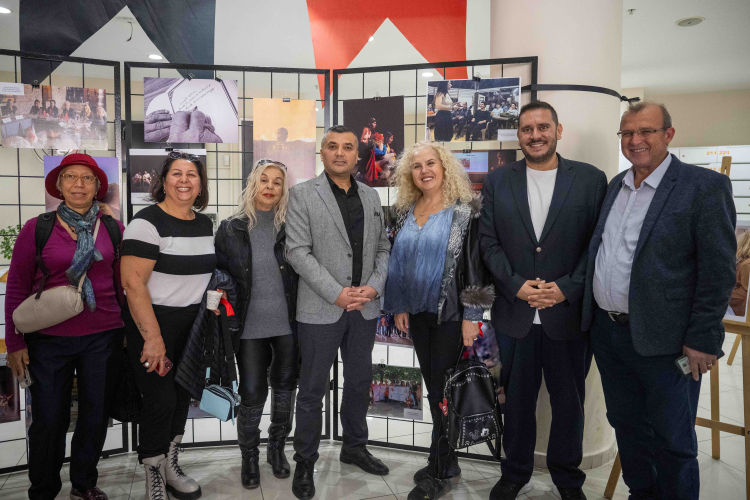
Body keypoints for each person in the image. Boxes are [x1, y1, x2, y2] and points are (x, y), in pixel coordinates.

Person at [582, 102, 736, 500]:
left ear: (668, 134)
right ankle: (641, 494)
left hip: (669, 343)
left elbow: (719, 271)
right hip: (609, 335)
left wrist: (702, 338)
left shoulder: (703, 187)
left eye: (646, 131)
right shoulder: (616, 186)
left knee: (672, 439)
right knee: (627, 426)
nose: (635, 140)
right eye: (627, 133)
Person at [478, 101, 607, 500]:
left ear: (558, 130)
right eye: (527, 129)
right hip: (514, 315)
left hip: (567, 314)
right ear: (518, 135)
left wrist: (568, 286)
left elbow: (597, 244)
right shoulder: (498, 181)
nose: (535, 135)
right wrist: (516, 284)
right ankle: (514, 473)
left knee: (569, 405)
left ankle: (567, 479)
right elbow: (488, 243)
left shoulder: (591, 179)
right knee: (516, 403)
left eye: (543, 127)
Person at [5, 154, 124, 500]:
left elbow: (122, 284)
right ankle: (43, 489)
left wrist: (130, 332)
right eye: (70, 177)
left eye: (87, 178)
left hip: (103, 335)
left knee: (95, 414)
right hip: (48, 340)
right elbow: (17, 287)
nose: (78, 184)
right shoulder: (37, 228)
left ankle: (84, 484)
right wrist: (15, 343)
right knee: (48, 418)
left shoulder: (113, 228)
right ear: (59, 185)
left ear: (97, 187)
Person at [286, 125, 391, 499]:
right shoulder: (302, 195)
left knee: (359, 382)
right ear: (322, 153)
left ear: (357, 155)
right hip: (321, 307)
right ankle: (305, 461)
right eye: (332, 146)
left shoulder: (371, 196)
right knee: (312, 389)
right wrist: (336, 293)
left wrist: (374, 286)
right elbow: (297, 251)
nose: (340, 153)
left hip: (365, 307)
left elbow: (383, 248)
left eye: (348, 147)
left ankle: (355, 447)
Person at [384, 141, 494, 500]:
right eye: (416, 166)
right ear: (409, 174)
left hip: (450, 316)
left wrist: (472, 316)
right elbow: (398, 264)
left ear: (444, 167)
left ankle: (439, 470)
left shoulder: (465, 211)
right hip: (417, 315)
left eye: (431, 163)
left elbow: (476, 266)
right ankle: (445, 460)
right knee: (436, 391)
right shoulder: (405, 210)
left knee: (444, 393)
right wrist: (400, 305)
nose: (424, 170)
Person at [121, 151, 215, 500]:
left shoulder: (204, 224)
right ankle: (153, 473)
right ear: (163, 181)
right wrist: (153, 338)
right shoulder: (146, 223)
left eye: (192, 174)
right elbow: (132, 284)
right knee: (160, 400)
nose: (184, 181)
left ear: (201, 184)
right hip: (153, 323)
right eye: (177, 173)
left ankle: (170, 466)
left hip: (192, 327)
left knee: (180, 398)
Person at [214, 159, 299, 489]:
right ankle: (248, 455)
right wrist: (223, 288)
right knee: (252, 392)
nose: (270, 186)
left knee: (285, 388)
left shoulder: (293, 226)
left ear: (283, 189)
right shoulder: (230, 228)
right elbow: (217, 271)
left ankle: (276, 448)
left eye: (277, 182)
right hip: (249, 326)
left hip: (288, 323)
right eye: (264, 179)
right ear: (253, 183)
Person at [730, 231, 750, 316]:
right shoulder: (744, 262)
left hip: (740, 311)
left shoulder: (746, 264)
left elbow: (746, 292)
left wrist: (726, 294)